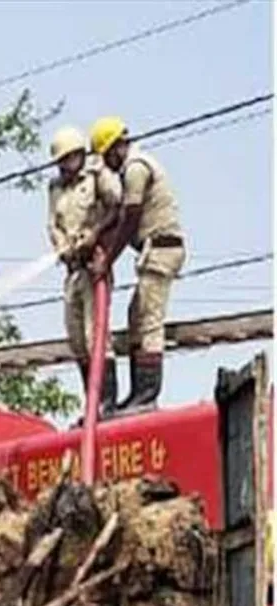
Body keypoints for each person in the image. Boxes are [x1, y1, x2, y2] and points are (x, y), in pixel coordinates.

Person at [87, 116, 187, 412]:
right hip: (153, 251)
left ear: (116, 147)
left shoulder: (136, 168)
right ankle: (136, 395)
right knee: (136, 316)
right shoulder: (133, 168)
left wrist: (107, 260)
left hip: (161, 250)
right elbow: (119, 216)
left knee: (147, 319)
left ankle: (147, 395)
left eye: (106, 157)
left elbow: (129, 218)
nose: (108, 165)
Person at [46, 125, 124, 418]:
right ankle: (91, 401)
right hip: (72, 270)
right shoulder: (55, 188)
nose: (64, 166)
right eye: (61, 162)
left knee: (96, 337)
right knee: (77, 340)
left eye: (68, 159)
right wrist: (60, 245)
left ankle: (106, 403)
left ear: (79, 155)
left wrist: (94, 234)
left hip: (94, 267)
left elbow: (116, 206)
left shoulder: (96, 176)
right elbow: (52, 224)